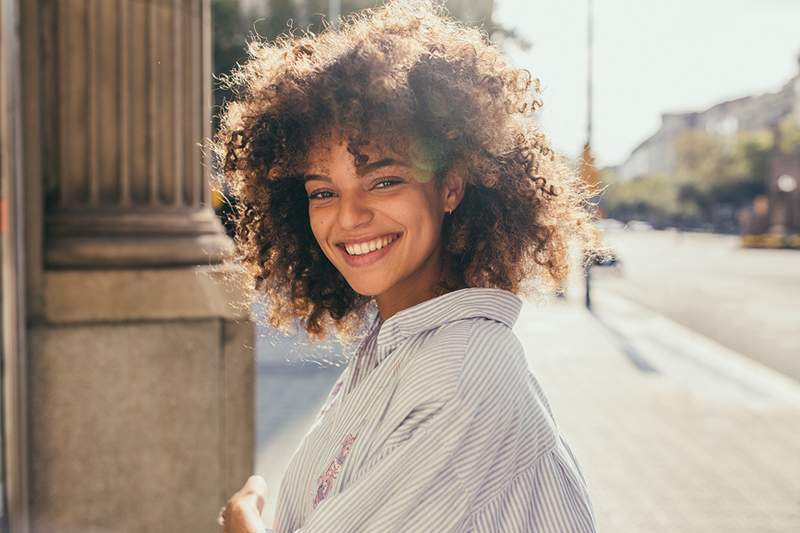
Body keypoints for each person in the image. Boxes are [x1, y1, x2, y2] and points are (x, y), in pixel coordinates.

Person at [211, 0, 604, 531]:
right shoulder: (400, 345)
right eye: (323, 191)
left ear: (450, 186)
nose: (349, 217)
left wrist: (241, 522)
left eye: (384, 180)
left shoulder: (461, 377)